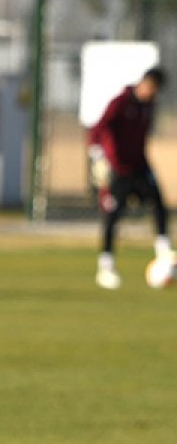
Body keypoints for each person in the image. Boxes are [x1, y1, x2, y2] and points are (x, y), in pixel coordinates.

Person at [89, 67, 172, 289]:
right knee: (112, 215)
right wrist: (98, 156)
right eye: (150, 87)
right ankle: (106, 267)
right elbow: (99, 128)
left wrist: (147, 166)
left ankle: (164, 254)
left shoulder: (148, 107)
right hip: (118, 169)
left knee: (159, 205)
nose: (152, 93)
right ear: (143, 83)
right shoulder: (121, 102)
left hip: (139, 167)